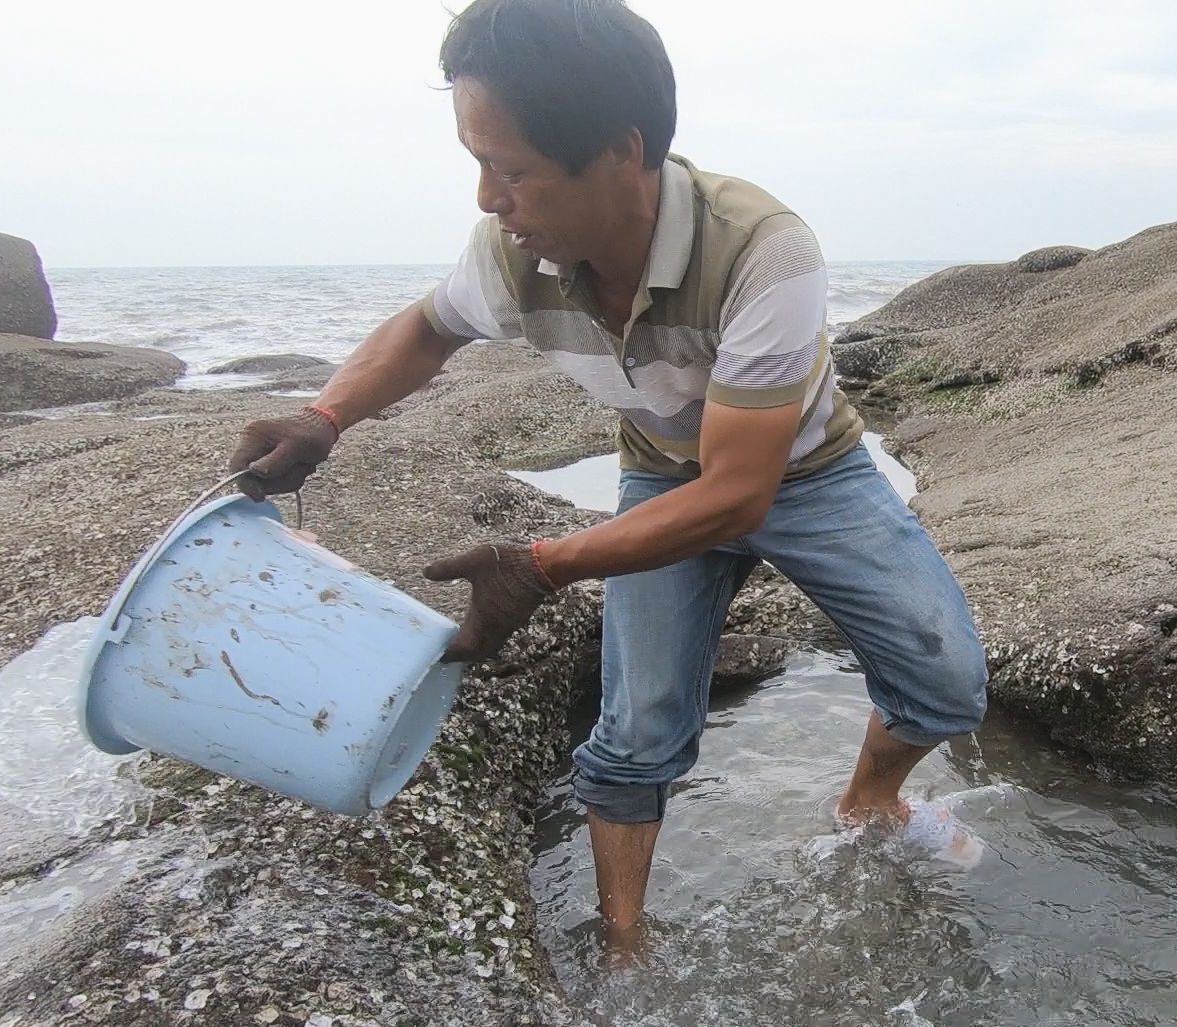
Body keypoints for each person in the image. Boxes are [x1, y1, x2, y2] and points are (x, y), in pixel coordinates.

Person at [228, 0, 989, 948]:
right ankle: (625, 937)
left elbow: (739, 492)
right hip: (663, 474)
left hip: (808, 473)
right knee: (637, 732)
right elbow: (426, 328)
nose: (486, 199)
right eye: (476, 164)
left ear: (620, 154)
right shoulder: (511, 256)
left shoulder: (764, 250)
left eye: (509, 170)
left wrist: (540, 564)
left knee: (948, 682)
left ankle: (868, 798)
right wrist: (324, 414)